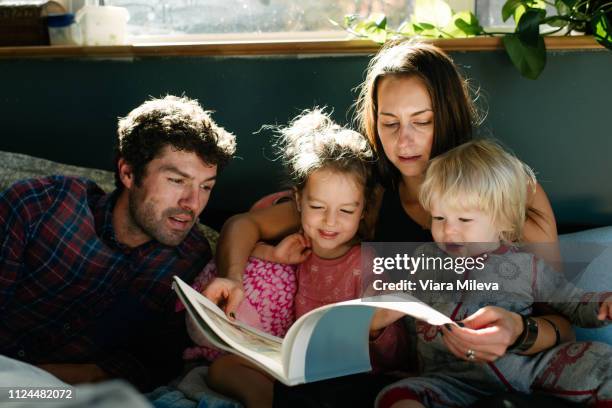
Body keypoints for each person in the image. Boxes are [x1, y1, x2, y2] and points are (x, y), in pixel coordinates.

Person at [204, 41, 574, 407]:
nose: (404, 140)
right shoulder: (371, 196)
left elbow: (564, 323)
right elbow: (244, 225)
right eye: (389, 123)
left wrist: (518, 331)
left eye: (422, 121)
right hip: (414, 381)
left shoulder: (511, 191)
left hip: (507, 377)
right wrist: (232, 278)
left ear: (447, 115)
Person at [0, 95, 236, 391]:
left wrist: (36, 384)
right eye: (176, 180)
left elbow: (148, 364)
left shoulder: (190, 260)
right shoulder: (41, 206)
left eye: (206, 187)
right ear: (128, 172)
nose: (193, 203)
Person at [181, 109, 410, 408]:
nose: (330, 222)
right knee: (224, 369)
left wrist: (375, 328)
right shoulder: (297, 247)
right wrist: (272, 254)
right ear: (298, 200)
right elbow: (245, 237)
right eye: (318, 206)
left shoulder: (368, 264)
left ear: (363, 211)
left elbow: (396, 357)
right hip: (295, 367)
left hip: (346, 374)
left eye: (346, 211)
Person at [370, 139, 612, 408]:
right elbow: (404, 323)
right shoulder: (425, 259)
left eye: (464, 220)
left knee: (603, 362)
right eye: (439, 218)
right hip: (447, 379)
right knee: (397, 396)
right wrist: (381, 318)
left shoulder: (524, 265)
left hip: (527, 367)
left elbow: (573, 302)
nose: (448, 231)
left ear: (502, 221)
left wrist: (603, 305)